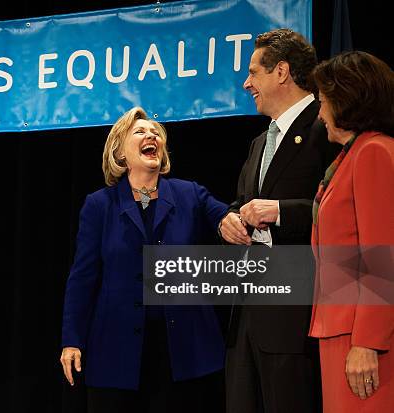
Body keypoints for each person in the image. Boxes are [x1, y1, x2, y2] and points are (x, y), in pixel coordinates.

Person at [60, 107, 228, 413]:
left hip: (183, 352)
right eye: (140, 132)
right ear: (120, 153)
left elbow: (223, 215)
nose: (151, 136)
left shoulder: (189, 194)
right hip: (116, 352)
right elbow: (83, 277)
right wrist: (72, 339)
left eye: (156, 134)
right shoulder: (100, 205)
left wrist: (231, 219)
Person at [219, 29, 338, 412]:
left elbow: (342, 211)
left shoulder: (326, 128)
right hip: (247, 318)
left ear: (282, 71)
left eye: (254, 72)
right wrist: (229, 221)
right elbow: (241, 202)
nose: (246, 82)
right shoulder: (258, 143)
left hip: (296, 321)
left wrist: (281, 211)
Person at [309, 51, 394, 412]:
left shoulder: (374, 152)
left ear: (346, 100)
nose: (319, 113)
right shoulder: (352, 155)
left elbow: (383, 255)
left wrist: (368, 342)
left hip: (362, 339)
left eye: (324, 101)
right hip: (341, 329)